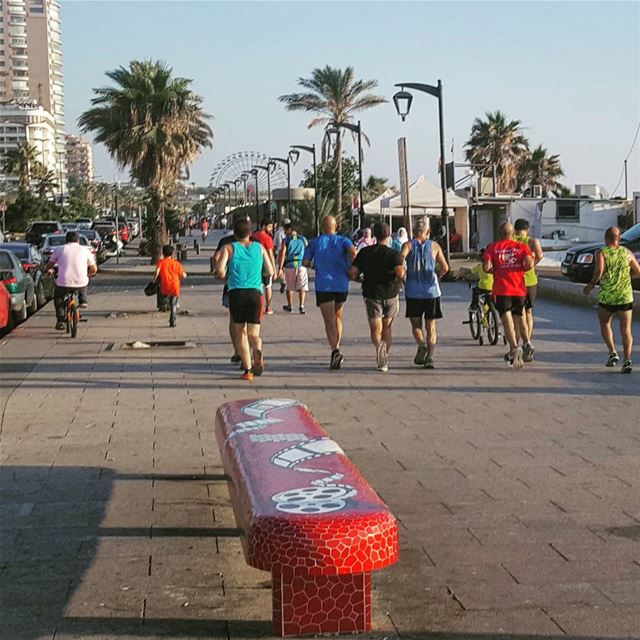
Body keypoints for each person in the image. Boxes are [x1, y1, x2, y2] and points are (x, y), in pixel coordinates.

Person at [216, 217, 274, 380]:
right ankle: (257, 349)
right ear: (250, 232)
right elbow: (270, 270)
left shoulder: (229, 248)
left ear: (235, 233)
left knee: (240, 332)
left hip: (236, 293)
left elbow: (220, 270)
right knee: (254, 333)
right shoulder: (259, 247)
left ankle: (248, 370)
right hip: (255, 294)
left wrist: (225, 275)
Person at [583, 226, 640, 373]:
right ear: (619, 238)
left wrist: (590, 285)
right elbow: (638, 272)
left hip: (608, 296)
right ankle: (627, 360)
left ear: (606, 238)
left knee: (605, 324)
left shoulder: (601, 252)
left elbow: (599, 271)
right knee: (626, 330)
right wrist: (627, 277)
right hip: (625, 296)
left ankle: (612, 352)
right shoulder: (627, 253)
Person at [349, 222, 404, 372]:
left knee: (375, 328)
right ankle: (384, 356)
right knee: (388, 327)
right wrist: (399, 282)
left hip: (372, 293)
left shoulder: (365, 252)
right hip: (391, 294)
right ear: (389, 234)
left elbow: (352, 272)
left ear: (374, 234)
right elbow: (400, 273)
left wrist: (359, 278)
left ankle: (379, 346)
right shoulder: (394, 254)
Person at [303, 214, 356, 369]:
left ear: (322, 226)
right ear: (336, 226)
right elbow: (353, 251)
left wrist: (316, 266)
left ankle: (335, 350)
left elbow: (305, 262)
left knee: (329, 320)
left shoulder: (315, 242)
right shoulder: (343, 240)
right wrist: (352, 268)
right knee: (338, 316)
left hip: (324, 284)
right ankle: (337, 346)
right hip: (341, 283)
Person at [483, 222, 534, 369]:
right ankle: (527, 342)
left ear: (499, 234)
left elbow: (486, 267)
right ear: (513, 234)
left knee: (507, 320)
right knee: (520, 315)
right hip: (519, 288)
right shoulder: (522, 247)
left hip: (501, 289)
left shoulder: (492, 247)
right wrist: (519, 268)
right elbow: (529, 264)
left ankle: (514, 348)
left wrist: (497, 271)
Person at [400, 217, 448, 369]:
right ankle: (430, 357)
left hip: (413, 291)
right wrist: (437, 276)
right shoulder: (435, 246)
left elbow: (400, 260)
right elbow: (445, 268)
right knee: (431, 326)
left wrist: (403, 277)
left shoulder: (407, 245)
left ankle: (421, 344)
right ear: (428, 232)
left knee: (416, 325)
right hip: (431, 292)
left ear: (413, 232)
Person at [47, 230, 97, 330]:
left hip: (63, 282)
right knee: (84, 281)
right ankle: (83, 299)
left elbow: (50, 264)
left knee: (58, 298)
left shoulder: (60, 249)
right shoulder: (85, 250)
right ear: (78, 240)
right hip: (81, 282)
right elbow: (94, 268)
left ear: (66, 240)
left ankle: (61, 320)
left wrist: (48, 269)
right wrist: (91, 273)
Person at [513, 218, 544, 361]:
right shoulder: (532, 242)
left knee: (518, 314)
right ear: (528, 229)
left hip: (515, 280)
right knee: (529, 312)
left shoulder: (512, 240)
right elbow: (540, 255)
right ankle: (528, 342)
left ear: (515, 229)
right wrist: (532, 265)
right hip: (530, 281)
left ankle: (519, 344)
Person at [215, 225, 241, 363]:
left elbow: (216, 259)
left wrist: (223, 276)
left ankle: (238, 351)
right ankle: (253, 349)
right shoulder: (256, 245)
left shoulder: (226, 243)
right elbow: (270, 270)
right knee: (252, 327)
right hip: (255, 290)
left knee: (234, 321)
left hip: (232, 288)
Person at [277, 221, 309, 314]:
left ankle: (290, 305)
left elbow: (283, 254)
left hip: (290, 265)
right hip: (301, 265)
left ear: (290, 230)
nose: (284, 233)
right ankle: (301, 306)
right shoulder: (303, 239)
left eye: (285, 230)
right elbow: (307, 250)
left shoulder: (286, 240)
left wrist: (280, 267)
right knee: (302, 286)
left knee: (290, 286)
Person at [154, 245, 186, 327]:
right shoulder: (176, 264)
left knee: (163, 296)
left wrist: (154, 280)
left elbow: (157, 272)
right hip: (174, 285)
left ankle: (163, 305)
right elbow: (184, 275)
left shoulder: (161, 262)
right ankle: (173, 320)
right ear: (172, 254)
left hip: (165, 285)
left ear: (163, 253)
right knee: (174, 304)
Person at [252, 218, 277, 315]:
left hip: (255, 264)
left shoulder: (253, 235)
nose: (271, 229)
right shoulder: (267, 238)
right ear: (264, 226)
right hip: (265, 265)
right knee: (268, 286)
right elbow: (270, 254)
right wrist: (273, 269)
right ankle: (268, 307)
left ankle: (258, 306)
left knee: (257, 286)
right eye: (270, 226)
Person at [274, 219, 289, 294]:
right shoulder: (292, 233)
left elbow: (275, 245)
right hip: (290, 253)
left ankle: (283, 281)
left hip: (280, 253)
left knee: (279, 269)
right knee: (290, 268)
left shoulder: (278, 233)